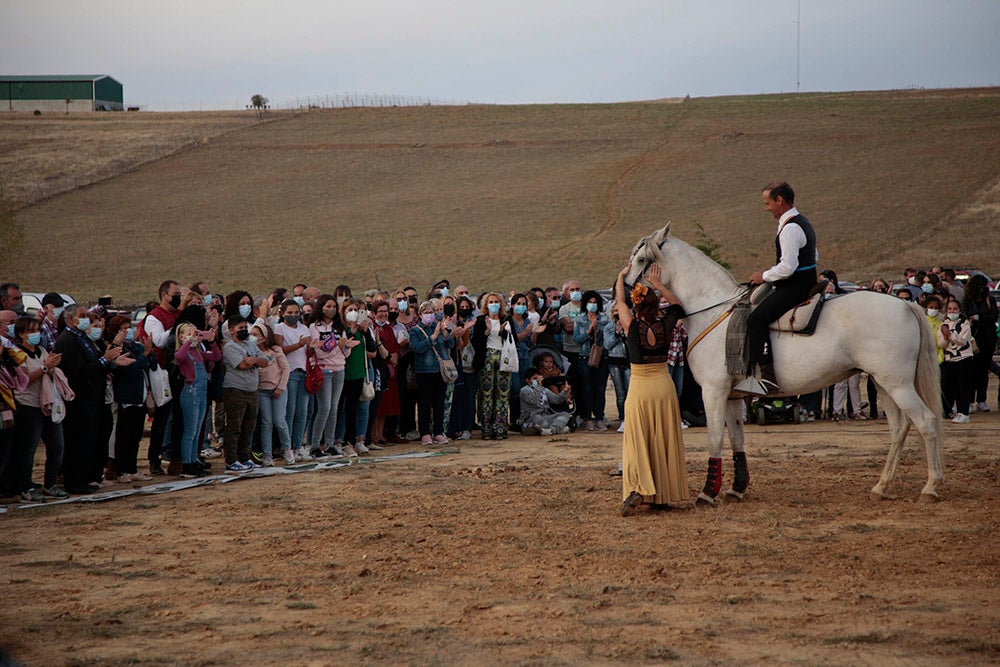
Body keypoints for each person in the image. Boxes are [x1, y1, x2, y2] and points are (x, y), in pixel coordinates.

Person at [615, 262, 690, 516]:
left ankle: (638, 487)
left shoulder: (632, 326)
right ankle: (662, 494)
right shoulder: (666, 324)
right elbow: (678, 306)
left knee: (637, 439)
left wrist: (621, 278)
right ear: (657, 305)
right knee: (663, 439)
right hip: (663, 385)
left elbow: (620, 302)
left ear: (636, 305)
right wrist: (659, 285)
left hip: (640, 387)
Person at [746, 182, 818, 393]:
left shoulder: (790, 228)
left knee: (756, 319)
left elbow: (788, 267)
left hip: (795, 287)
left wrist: (764, 276)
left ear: (780, 201)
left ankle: (767, 377)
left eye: (768, 203)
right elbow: (814, 255)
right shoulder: (803, 221)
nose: (766, 208)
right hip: (806, 281)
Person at [56, 304, 135, 493]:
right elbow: (78, 372)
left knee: (89, 440)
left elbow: (97, 362)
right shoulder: (68, 340)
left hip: (93, 396)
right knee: (78, 441)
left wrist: (112, 362)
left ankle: (86, 478)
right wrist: (105, 360)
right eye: (82, 316)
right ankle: (75, 481)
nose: (86, 319)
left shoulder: (82, 338)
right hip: (80, 397)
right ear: (70, 319)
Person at [10, 316, 68, 501]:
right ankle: (26, 486)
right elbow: (24, 381)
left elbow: (48, 372)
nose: (35, 334)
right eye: (31, 331)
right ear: (21, 334)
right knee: (29, 448)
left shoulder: (41, 350)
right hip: (28, 405)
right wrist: (45, 367)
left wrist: (52, 368)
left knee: (57, 446)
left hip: (47, 404)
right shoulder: (17, 354)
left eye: (37, 330)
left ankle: (50, 484)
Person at [106, 315, 155, 483]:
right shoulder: (115, 349)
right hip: (126, 396)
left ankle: (132, 468)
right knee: (124, 435)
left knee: (135, 436)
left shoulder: (135, 346)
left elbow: (149, 362)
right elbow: (130, 369)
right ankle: (121, 470)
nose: (127, 331)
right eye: (123, 329)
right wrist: (144, 355)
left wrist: (146, 350)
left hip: (139, 395)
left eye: (129, 328)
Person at [173, 322, 221, 477]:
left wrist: (211, 341)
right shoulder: (184, 351)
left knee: (197, 431)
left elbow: (216, 356)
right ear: (181, 337)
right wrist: (188, 341)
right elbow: (178, 356)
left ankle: (193, 460)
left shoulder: (198, 352)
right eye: (189, 333)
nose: (194, 336)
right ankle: (186, 464)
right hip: (191, 393)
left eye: (195, 333)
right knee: (190, 431)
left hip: (202, 392)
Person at [221, 318, 269, 472]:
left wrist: (254, 360)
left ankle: (245, 457)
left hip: (252, 389)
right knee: (234, 426)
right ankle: (231, 460)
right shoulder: (229, 347)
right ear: (231, 330)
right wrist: (255, 361)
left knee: (249, 426)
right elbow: (241, 365)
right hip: (235, 390)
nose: (244, 330)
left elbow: (265, 361)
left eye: (245, 327)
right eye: (240, 327)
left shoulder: (250, 344)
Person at [308, 294, 350, 459]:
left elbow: (346, 353)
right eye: (328, 306)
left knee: (334, 408)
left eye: (333, 307)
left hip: (339, 369)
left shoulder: (339, 327)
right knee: (324, 408)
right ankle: (315, 445)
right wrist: (335, 347)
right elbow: (317, 350)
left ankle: (331, 444)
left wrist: (343, 347)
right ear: (321, 308)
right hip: (323, 369)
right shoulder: (314, 327)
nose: (331, 310)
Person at [409, 300, 455, 445]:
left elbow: (450, 345)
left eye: (431, 312)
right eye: (426, 313)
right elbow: (417, 348)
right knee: (424, 403)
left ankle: (439, 432)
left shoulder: (438, 327)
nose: (429, 315)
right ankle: (425, 433)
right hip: (424, 371)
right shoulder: (415, 330)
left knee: (439, 402)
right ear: (420, 314)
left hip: (439, 370)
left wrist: (445, 333)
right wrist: (433, 337)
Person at [472, 292, 514, 440]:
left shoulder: (507, 320)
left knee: (502, 394)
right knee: (486, 394)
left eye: (496, 301)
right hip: (487, 359)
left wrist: (503, 333)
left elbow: (514, 340)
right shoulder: (480, 320)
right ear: (486, 305)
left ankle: (501, 427)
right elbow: (475, 342)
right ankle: (487, 428)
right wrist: (486, 332)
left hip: (504, 358)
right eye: (491, 302)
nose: (494, 304)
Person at [273, 298, 311, 455]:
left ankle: (297, 444)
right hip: (290, 372)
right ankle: (286, 446)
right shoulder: (279, 328)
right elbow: (279, 350)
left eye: (296, 312)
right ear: (282, 313)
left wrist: (312, 347)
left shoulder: (304, 328)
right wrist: (299, 345)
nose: (293, 315)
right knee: (290, 411)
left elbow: (308, 350)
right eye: (289, 313)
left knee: (302, 412)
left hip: (304, 371)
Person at [252, 321, 291, 466]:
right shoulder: (252, 351)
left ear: (264, 337)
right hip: (262, 390)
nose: (252, 337)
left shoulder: (275, 350)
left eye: (255, 335)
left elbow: (286, 369)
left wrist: (281, 387)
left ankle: (287, 448)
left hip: (278, 389)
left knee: (279, 421)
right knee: (266, 422)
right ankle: (267, 454)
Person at [573, 290, 610, 430]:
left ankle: (600, 417)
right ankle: (588, 418)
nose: (592, 305)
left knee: (600, 389)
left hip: (601, 357)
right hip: (584, 357)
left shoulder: (605, 320)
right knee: (587, 389)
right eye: (590, 302)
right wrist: (588, 331)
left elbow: (607, 339)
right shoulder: (580, 320)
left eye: (595, 302)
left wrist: (598, 330)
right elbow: (577, 339)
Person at [963, 275, 997, 413]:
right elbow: (965, 315)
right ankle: (970, 400)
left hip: (987, 338)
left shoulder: (990, 300)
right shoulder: (967, 301)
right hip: (972, 338)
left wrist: (979, 318)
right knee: (971, 370)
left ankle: (981, 400)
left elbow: (994, 316)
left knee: (984, 371)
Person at [938, 299, 975, 423]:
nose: (952, 311)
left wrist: (950, 335)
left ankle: (964, 412)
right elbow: (941, 344)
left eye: (955, 309)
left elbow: (963, 340)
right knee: (951, 387)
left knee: (962, 387)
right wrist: (944, 336)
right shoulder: (943, 324)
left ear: (959, 310)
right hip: (949, 359)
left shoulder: (964, 323)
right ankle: (953, 410)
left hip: (963, 358)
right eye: (949, 309)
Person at [518, 367, 572, 436]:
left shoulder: (544, 389)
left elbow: (555, 399)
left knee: (565, 414)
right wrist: (538, 386)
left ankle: (551, 430)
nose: (537, 381)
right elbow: (533, 400)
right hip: (531, 417)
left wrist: (565, 391)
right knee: (537, 418)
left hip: (545, 415)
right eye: (535, 379)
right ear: (528, 380)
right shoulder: (524, 390)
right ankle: (557, 429)